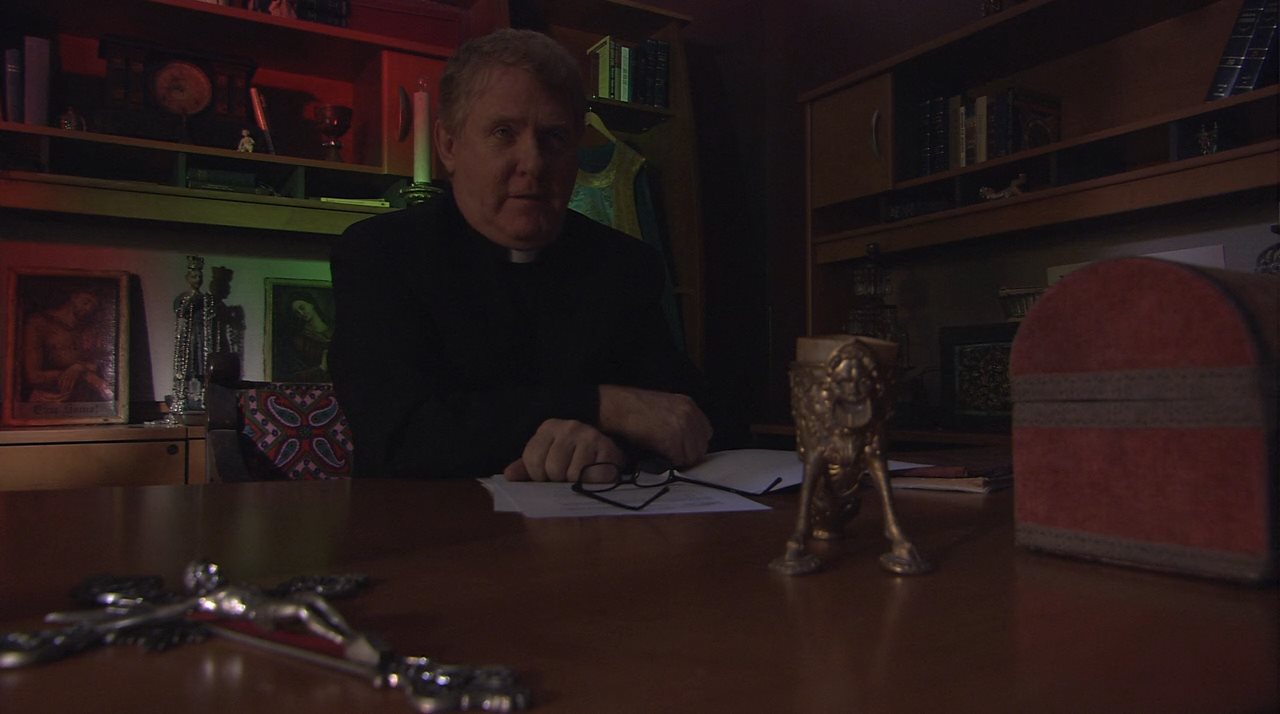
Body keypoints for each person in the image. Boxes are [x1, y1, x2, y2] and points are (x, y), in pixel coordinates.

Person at [330, 28, 712, 482]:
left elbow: (684, 415)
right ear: (449, 145)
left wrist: (614, 448)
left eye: (554, 137)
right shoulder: (381, 254)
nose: (533, 163)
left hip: (591, 520)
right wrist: (601, 405)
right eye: (503, 133)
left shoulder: (624, 265)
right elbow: (398, 437)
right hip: (425, 522)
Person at [21, 289, 113, 403]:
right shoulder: (39, 323)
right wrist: (83, 375)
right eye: (86, 301)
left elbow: (101, 363)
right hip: (48, 400)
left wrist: (80, 367)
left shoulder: (87, 329)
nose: (88, 308)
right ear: (74, 296)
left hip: (83, 401)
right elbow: (33, 376)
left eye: (93, 306)